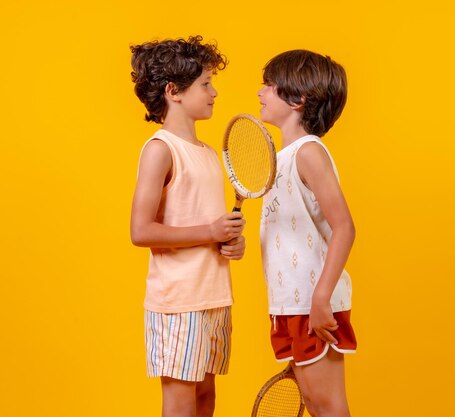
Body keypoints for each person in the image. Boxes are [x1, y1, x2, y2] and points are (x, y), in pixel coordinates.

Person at [129, 35, 246, 417]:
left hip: (214, 298)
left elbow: (210, 229)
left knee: (206, 399)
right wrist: (210, 232)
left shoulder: (210, 154)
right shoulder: (160, 149)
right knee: (180, 406)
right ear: (173, 91)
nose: (215, 92)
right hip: (179, 303)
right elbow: (141, 231)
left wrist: (230, 243)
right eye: (206, 84)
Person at [258, 49, 357, 417]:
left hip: (312, 301)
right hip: (287, 304)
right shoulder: (280, 158)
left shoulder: (308, 152)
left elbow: (345, 226)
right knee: (315, 404)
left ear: (298, 99)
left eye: (269, 85)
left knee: (328, 406)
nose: (260, 93)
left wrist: (321, 298)